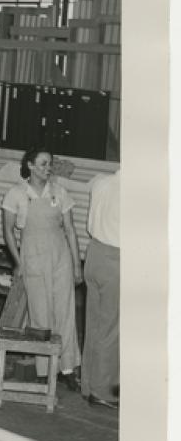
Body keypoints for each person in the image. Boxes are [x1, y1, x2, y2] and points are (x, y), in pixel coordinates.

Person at [1, 148, 83, 388]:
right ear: (30, 165)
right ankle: (45, 370)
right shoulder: (16, 193)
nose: (49, 168)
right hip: (32, 256)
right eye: (44, 163)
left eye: (50, 164)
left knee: (65, 312)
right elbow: (8, 231)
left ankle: (67, 368)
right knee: (40, 313)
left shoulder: (59, 192)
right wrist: (18, 262)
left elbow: (69, 229)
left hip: (60, 257)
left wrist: (76, 265)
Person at [80, 170, 119, 409]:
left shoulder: (100, 181)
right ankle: (104, 391)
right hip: (117, 258)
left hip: (94, 253)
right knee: (111, 329)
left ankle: (89, 385)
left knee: (93, 325)